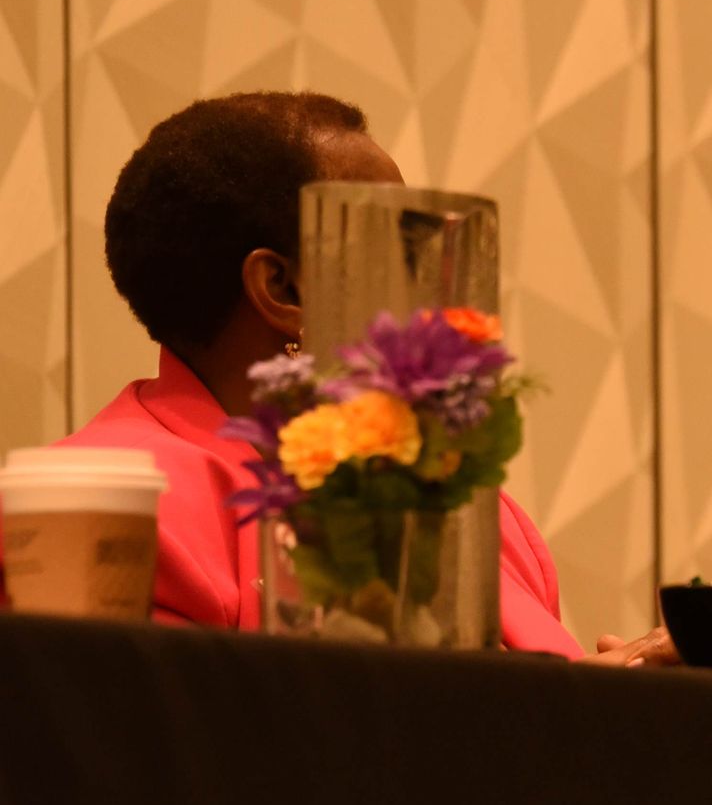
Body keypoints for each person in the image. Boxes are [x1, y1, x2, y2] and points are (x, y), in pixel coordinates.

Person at [50, 91, 584, 657]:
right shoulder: (110, 515)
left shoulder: (480, 519)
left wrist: (621, 686)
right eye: (405, 246)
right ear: (284, 289)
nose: (435, 282)